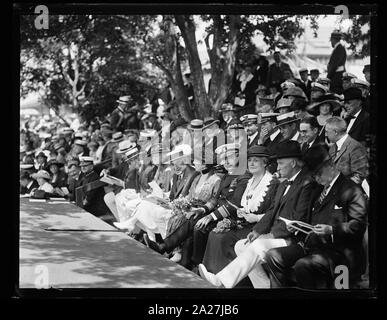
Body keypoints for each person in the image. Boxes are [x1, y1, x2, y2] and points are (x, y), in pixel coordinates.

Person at [198, 141, 318, 288]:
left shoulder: (306, 184)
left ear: (293, 163)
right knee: (241, 246)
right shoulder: (284, 183)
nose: (278, 168)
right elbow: (272, 211)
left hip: (292, 238)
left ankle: (221, 281)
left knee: (257, 245)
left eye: (280, 163)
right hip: (277, 234)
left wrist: (271, 235)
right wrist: (257, 231)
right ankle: (264, 287)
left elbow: (299, 219)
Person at [265, 145, 367, 289]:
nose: (317, 178)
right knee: (273, 255)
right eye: (313, 175)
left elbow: (358, 225)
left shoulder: (351, 189)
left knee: (303, 265)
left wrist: (332, 229)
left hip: (338, 251)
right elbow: (306, 218)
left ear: (331, 166)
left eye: (319, 173)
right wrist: (295, 225)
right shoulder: (317, 190)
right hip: (312, 245)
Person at [143, 143, 250, 269]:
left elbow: (233, 204)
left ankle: (191, 259)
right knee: (194, 218)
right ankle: (183, 258)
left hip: (231, 216)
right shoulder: (227, 175)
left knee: (197, 225)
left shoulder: (243, 176)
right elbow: (215, 200)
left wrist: (210, 216)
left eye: (230, 157)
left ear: (239, 157)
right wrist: (201, 209)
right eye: (224, 158)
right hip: (216, 211)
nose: (225, 162)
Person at [201, 146, 280, 274]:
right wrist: (242, 211)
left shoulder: (272, 183)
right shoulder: (250, 181)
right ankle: (213, 273)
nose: (252, 163)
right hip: (245, 223)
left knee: (223, 237)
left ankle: (227, 278)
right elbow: (244, 204)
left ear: (265, 163)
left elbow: (273, 211)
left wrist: (256, 217)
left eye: (256, 160)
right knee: (216, 233)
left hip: (260, 227)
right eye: (249, 160)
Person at [325, 117, 368, 185]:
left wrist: (337, 187)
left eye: (327, 131)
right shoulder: (332, 148)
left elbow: (359, 176)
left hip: (348, 192)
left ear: (335, 132)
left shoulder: (356, 147)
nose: (325, 134)